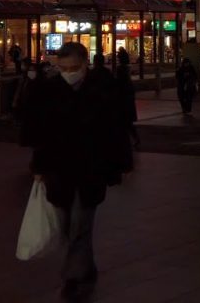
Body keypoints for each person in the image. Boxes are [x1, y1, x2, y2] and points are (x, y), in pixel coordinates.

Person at [29, 42, 132, 300]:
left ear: (85, 64)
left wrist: (118, 165)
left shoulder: (102, 89)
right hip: (59, 168)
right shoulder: (50, 90)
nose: (68, 73)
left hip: (90, 168)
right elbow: (42, 132)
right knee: (66, 224)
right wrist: (39, 167)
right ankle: (85, 266)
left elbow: (116, 130)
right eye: (62, 68)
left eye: (73, 68)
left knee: (80, 223)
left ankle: (73, 275)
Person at [115, 62, 139, 149]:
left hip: (122, 106)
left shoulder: (118, 82)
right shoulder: (128, 82)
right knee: (128, 124)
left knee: (125, 124)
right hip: (127, 106)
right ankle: (134, 138)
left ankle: (128, 140)